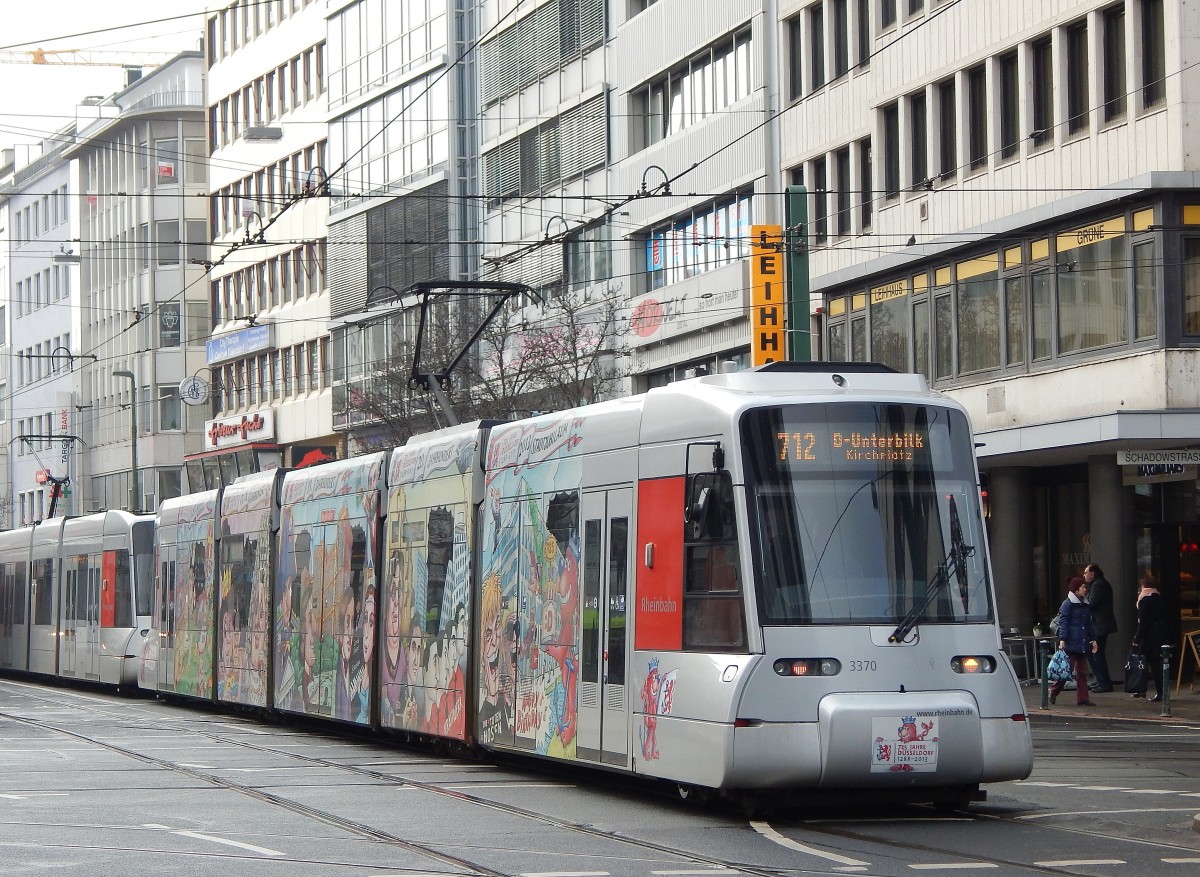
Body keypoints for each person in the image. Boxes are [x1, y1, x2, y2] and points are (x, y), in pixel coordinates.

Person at [1050, 576, 1098, 706]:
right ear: (1076, 589)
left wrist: (1093, 639)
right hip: (1071, 641)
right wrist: (1063, 639)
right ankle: (1054, 690)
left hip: (1081, 641)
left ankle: (1083, 698)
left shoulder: (1084, 604)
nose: (1085, 589)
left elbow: (1088, 623)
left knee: (1082, 671)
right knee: (1067, 669)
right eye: (1083, 587)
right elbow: (1064, 622)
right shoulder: (1068, 604)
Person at [1130, 573, 1170, 701]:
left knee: (1143, 663)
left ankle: (1143, 690)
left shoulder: (1144, 601)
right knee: (1157, 664)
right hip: (1160, 635)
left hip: (1148, 637)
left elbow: (1143, 623)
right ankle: (1161, 692)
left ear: (1144, 586)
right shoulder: (1160, 598)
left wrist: (1136, 640)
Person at [1083, 562, 1118, 692]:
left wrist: (1082, 597)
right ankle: (1100, 680)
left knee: (1096, 653)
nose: (1084, 575)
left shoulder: (1098, 585)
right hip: (1099, 625)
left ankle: (1104, 683)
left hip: (1099, 625)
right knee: (1093, 653)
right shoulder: (1097, 584)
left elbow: (1091, 603)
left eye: (1086, 573)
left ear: (1092, 574)